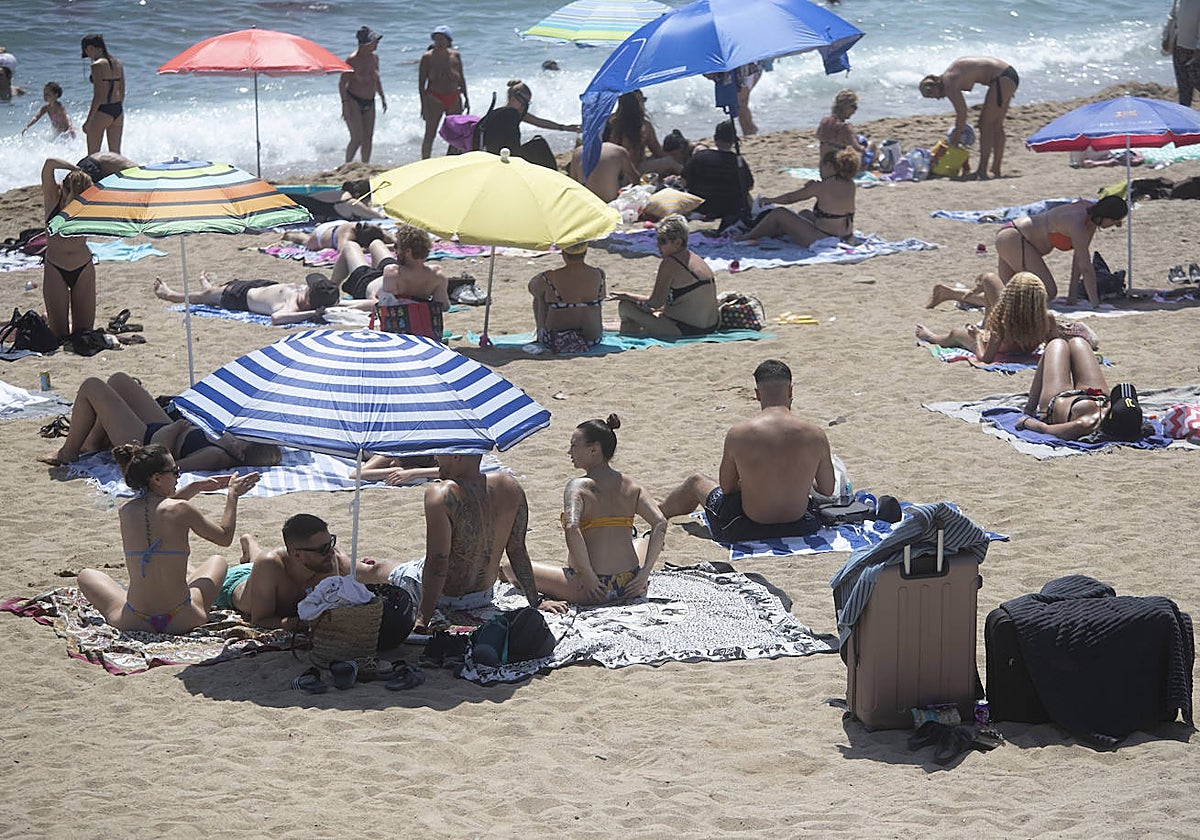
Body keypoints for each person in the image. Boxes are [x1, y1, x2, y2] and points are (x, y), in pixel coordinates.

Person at [360, 455, 568, 632]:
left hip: (443, 596)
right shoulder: (511, 486)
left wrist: (423, 619)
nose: (436, 458)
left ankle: (338, 563)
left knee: (378, 568)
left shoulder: (440, 494)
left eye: (441, 452)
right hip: (482, 596)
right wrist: (536, 601)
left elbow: (438, 562)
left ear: (456, 456)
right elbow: (517, 550)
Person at [76, 442, 260, 634]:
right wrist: (233, 496)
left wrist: (195, 487)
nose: (178, 477)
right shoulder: (181, 509)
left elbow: (159, 507)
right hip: (182, 618)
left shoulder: (126, 511)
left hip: (133, 619)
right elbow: (224, 537)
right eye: (175, 472)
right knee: (218, 561)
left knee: (86, 575)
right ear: (156, 478)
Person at [658, 359, 836, 542]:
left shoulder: (739, 434)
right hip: (800, 526)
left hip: (747, 528)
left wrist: (751, 482)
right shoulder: (816, 435)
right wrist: (801, 479)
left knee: (696, 481)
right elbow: (827, 489)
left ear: (758, 394)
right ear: (791, 391)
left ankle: (659, 511)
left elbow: (727, 488)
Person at [508, 416, 666, 605]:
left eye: (574, 446)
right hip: (629, 585)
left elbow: (572, 527)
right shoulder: (631, 485)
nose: (569, 451)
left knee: (509, 568)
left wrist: (589, 576)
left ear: (594, 449)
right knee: (641, 541)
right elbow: (660, 523)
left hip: (591, 588)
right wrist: (644, 574)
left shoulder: (579, 487)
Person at [39, 372, 283, 470]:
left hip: (146, 443)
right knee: (119, 381)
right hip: (161, 427)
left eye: (243, 443)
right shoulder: (227, 441)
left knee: (92, 386)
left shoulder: (217, 456)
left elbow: (168, 463)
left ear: (241, 456)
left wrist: (177, 428)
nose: (239, 439)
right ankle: (91, 443)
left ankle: (68, 453)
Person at [223, 515, 374, 630]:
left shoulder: (325, 562)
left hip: (264, 572)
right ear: (297, 555)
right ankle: (249, 543)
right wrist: (304, 623)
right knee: (259, 562)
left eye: (331, 543)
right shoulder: (269, 565)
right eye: (322, 549)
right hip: (234, 582)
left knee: (256, 562)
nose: (330, 552)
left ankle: (249, 544)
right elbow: (261, 620)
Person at [993, 196, 1127, 308]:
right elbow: (1086, 268)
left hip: (1013, 238)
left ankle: (972, 296)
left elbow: (1079, 261)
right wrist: (1096, 305)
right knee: (1047, 292)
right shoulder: (1077, 222)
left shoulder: (1090, 219)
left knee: (1007, 297)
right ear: (1107, 217)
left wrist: (1072, 298)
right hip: (1015, 238)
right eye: (1116, 222)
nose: (1115, 226)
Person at [611, 214, 719, 338]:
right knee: (650, 311)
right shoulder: (696, 259)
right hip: (711, 326)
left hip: (686, 329)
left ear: (677, 243)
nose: (657, 246)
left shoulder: (670, 263)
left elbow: (655, 303)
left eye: (662, 241)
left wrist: (627, 296)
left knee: (625, 307)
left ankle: (631, 332)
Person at [1017, 337, 1143, 441]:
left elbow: (1045, 429)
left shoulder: (1085, 424)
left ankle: (1030, 408)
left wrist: (1026, 421)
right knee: (1079, 342)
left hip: (1057, 399)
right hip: (1095, 394)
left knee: (1056, 344)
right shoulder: (1132, 417)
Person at [917, 272, 1060, 362]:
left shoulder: (1003, 320)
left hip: (999, 347)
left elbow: (986, 358)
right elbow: (1055, 346)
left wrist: (978, 337)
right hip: (1022, 347)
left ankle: (930, 337)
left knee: (956, 333)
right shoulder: (1047, 318)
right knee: (989, 278)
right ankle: (960, 294)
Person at [919, 57, 1018, 179]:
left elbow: (962, 113)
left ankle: (982, 170)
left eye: (931, 95)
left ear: (934, 86)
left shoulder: (948, 83)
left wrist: (957, 134)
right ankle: (995, 169)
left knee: (985, 125)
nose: (936, 98)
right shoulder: (950, 75)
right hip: (1008, 75)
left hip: (1002, 78)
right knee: (996, 125)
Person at [736, 147, 858, 246]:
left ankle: (748, 236)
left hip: (823, 237)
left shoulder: (822, 186)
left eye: (821, 166)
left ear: (829, 166)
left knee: (780, 213)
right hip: (845, 235)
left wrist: (770, 200)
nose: (820, 171)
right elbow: (832, 203)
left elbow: (790, 198)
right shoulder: (850, 183)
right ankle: (773, 230)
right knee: (804, 213)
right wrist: (811, 188)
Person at [152, 270, 341, 325]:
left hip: (240, 296)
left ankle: (170, 295)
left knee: (205, 297)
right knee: (213, 293)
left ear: (309, 301)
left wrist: (311, 314)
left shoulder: (293, 307)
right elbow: (347, 304)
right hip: (263, 286)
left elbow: (277, 319)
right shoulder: (306, 298)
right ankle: (210, 288)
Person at [331, 224, 450, 310]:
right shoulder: (437, 274)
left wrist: (337, 304)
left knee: (350, 246)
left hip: (366, 283)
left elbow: (383, 306)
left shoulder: (393, 272)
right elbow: (443, 306)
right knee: (376, 243)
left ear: (407, 252)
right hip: (387, 276)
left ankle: (330, 289)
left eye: (396, 247)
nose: (395, 250)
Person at [40, 157, 95, 339]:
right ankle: (48, 320)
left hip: (83, 268)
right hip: (56, 268)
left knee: (83, 334)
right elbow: (49, 163)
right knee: (60, 335)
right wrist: (76, 169)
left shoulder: (88, 204)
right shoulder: (53, 198)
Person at [476, 80, 580, 167]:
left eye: (527, 104)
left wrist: (564, 127)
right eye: (523, 102)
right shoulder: (509, 114)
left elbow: (539, 122)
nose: (524, 107)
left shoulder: (504, 112)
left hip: (499, 154)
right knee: (539, 143)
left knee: (538, 143)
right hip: (507, 156)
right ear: (512, 98)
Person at [529, 242, 606, 351]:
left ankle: (540, 331)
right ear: (585, 252)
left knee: (540, 297)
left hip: (557, 339)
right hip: (593, 339)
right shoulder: (599, 274)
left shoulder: (549, 277)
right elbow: (602, 297)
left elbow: (532, 289)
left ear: (563, 254)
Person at [681, 120, 754, 230]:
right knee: (746, 194)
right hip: (731, 207)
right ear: (733, 141)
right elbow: (749, 185)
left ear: (715, 137)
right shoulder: (737, 161)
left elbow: (684, 180)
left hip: (702, 205)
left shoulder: (700, 156)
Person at [419, 25, 468, 159]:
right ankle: (425, 162)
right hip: (434, 98)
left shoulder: (455, 56)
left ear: (448, 40)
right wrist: (423, 106)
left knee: (455, 133)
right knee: (430, 133)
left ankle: (451, 159)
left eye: (442, 39)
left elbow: (462, 78)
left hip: (454, 97)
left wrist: (466, 97)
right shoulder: (427, 57)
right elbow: (421, 84)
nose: (439, 42)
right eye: (436, 39)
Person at [603, 90, 679, 177]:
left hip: (609, 171)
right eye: (643, 100)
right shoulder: (643, 126)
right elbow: (657, 151)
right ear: (639, 104)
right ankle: (688, 176)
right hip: (632, 172)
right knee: (669, 162)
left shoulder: (610, 121)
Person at [339, 27, 386, 164]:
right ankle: (347, 164)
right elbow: (342, 84)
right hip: (354, 99)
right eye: (374, 42)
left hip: (370, 101)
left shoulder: (374, 58)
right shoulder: (352, 60)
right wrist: (345, 105)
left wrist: (382, 97)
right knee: (357, 137)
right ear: (365, 44)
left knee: (368, 138)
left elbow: (376, 79)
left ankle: (365, 165)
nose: (377, 44)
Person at [81, 34, 124, 155]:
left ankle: (95, 175)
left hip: (102, 111)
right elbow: (122, 91)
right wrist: (117, 108)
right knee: (116, 155)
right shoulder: (118, 63)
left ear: (90, 48)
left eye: (86, 50)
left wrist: (89, 120)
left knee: (93, 155)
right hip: (118, 110)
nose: (87, 54)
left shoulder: (97, 65)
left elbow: (98, 96)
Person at [816, 89, 870, 179]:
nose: (855, 110)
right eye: (853, 106)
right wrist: (865, 147)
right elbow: (858, 148)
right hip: (842, 172)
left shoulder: (824, 121)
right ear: (844, 106)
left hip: (824, 170)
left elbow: (819, 136)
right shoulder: (844, 127)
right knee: (870, 146)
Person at [569, 140, 639, 202]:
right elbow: (635, 179)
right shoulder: (618, 151)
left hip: (587, 205)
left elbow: (573, 183)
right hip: (609, 204)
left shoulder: (578, 152)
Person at [281, 219, 393, 252]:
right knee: (307, 242)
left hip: (338, 224)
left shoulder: (372, 229)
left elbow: (390, 238)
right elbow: (343, 249)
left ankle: (320, 225)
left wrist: (394, 243)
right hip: (321, 235)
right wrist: (375, 248)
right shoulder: (348, 233)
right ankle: (291, 235)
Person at [1167, 0, 1200, 107]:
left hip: (1195, 49)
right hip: (1179, 47)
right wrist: (1166, 37)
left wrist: (1198, 48)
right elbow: (1172, 18)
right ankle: (1185, 113)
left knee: (1197, 82)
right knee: (1184, 87)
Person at [348, 454, 438, 484]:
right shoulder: (389, 453)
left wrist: (414, 472)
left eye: (396, 463)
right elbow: (355, 475)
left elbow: (445, 471)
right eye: (394, 460)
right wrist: (398, 470)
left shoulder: (434, 459)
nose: (392, 464)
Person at [734, 62, 762, 136]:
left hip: (750, 68)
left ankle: (750, 128)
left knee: (740, 102)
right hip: (740, 68)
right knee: (741, 103)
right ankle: (748, 130)